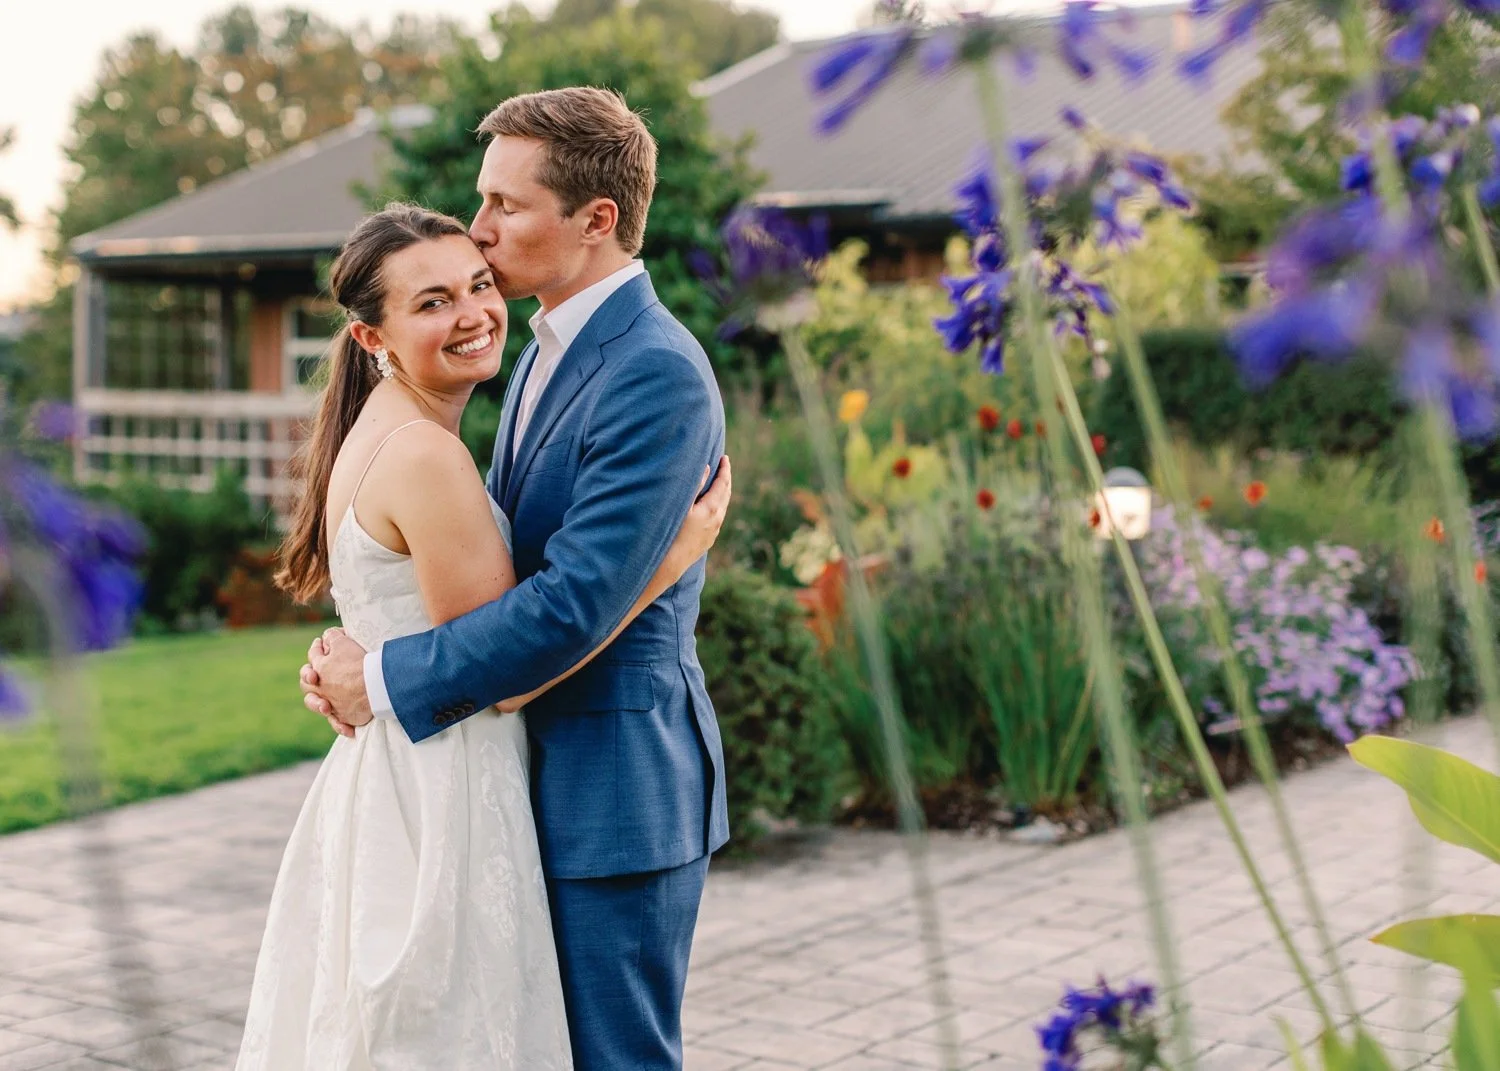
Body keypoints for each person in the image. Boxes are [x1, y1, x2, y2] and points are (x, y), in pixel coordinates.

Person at [297, 87, 731, 1070]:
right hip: (516, 776)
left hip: (613, 793)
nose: (481, 234)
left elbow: (571, 602)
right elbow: (477, 568)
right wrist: (372, 646)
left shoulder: (652, 369)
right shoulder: (534, 354)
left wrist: (389, 677)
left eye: (505, 205)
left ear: (596, 220)